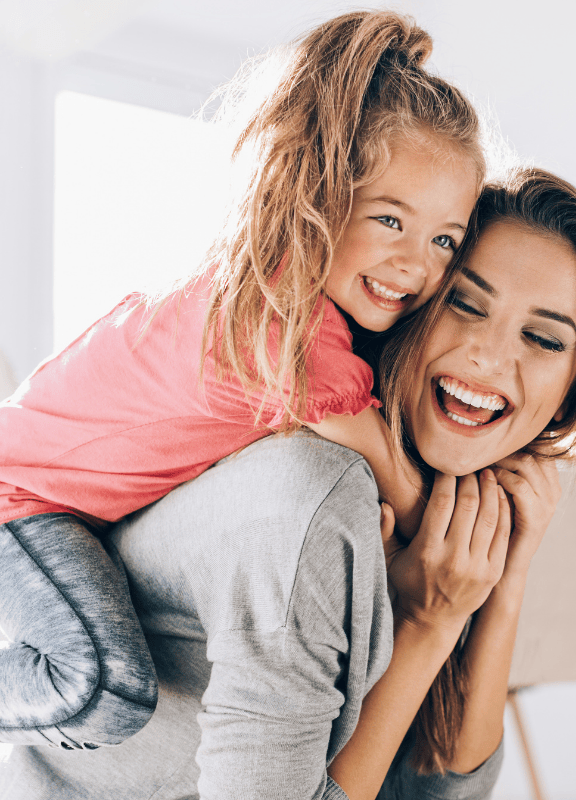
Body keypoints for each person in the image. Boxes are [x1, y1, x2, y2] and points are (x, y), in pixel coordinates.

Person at [0, 166, 576, 799]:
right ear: (409, 301)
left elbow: (436, 788)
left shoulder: (442, 500)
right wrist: (428, 622)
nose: (492, 355)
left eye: (544, 339)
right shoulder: (314, 494)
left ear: (572, 390)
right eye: (465, 304)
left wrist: (502, 581)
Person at [0, 11, 483, 748]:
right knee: (105, 688)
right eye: (390, 221)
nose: (417, 263)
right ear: (320, 193)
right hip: (18, 499)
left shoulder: (271, 294)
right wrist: (466, 552)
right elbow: (399, 486)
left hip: (47, 498)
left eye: (445, 239)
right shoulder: (281, 322)